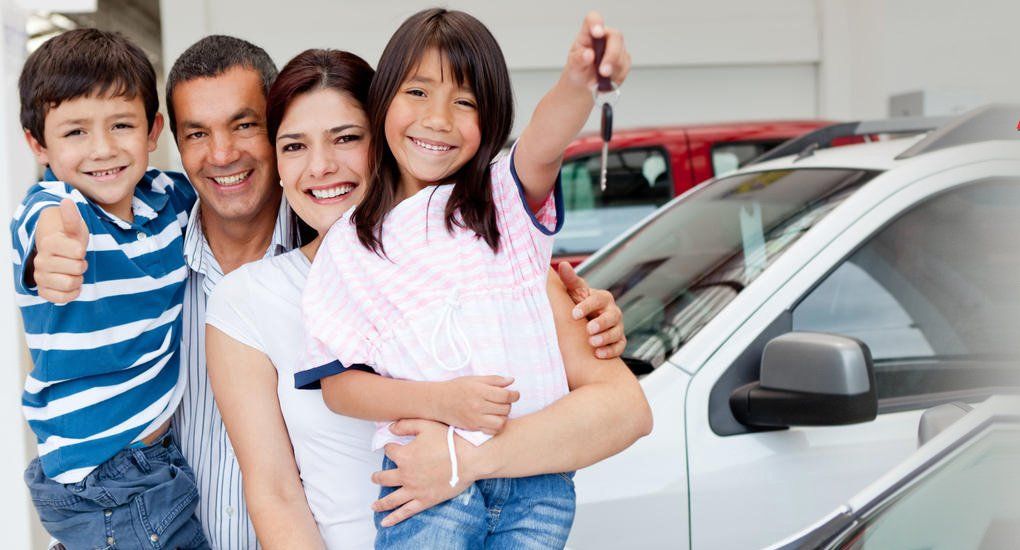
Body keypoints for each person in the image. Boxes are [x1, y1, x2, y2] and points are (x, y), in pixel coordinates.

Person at [31, 33, 633, 550]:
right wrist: (42, 249)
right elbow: (275, 495)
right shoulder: (204, 274)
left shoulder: (478, 250)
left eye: (345, 137)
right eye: (296, 145)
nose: (320, 166)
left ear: (384, 136)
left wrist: (466, 462)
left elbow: (622, 408)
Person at [297, 9, 639, 549]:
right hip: (428, 483)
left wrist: (578, 81)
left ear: (492, 119)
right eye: (417, 92)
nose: (438, 118)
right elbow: (339, 387)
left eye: (465, 102)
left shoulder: (500, 200)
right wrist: (441, 402)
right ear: (383, 98)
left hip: (538, 482)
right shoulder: (351, 245)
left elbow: (546, 140)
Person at [12, 29, 207, 548]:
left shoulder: (170, 198)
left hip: (153, 462)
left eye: (121, 124)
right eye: (75, 132)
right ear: (39, 144)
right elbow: (46, 232)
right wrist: (54, 256)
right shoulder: (52, 208)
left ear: (153, 131)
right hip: (109, 481)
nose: (102, 149)